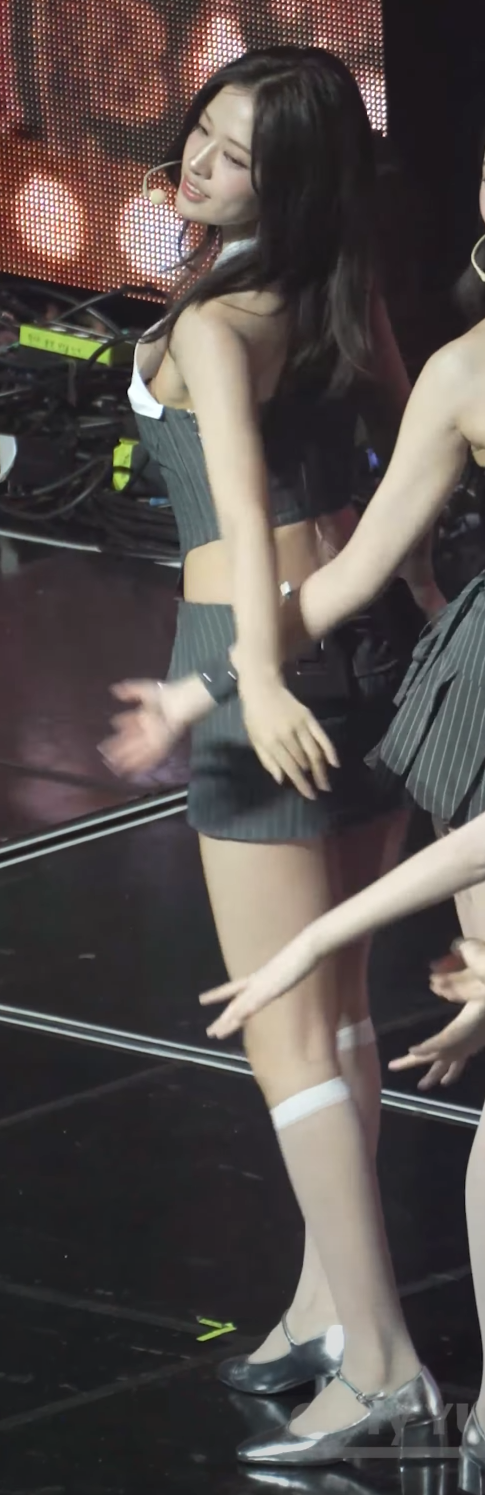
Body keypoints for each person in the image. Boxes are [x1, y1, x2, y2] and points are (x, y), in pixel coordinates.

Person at [101, 45, 444, 1468]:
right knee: (341, 1007)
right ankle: (325, 1307)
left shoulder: (215, 323)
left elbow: (244, 519)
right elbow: (403, 482)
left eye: (238, 155)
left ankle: (386, 1365)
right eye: (205, 132)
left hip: (262, 660)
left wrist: (234, 681)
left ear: (289, 181)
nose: (201, 163)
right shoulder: (338, 293)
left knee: (285, 1026)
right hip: (367, 651)